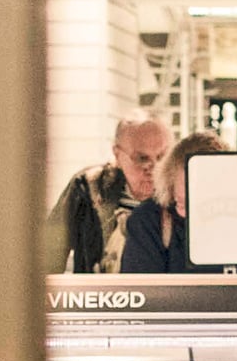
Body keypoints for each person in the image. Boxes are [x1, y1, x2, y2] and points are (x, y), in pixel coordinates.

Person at [118, 132, 237, 274]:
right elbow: (143, 296)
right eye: (183, 204)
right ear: (169, 184)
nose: (196, 214)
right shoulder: (150, 219)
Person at [51, 113, 174, 273]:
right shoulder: (88, 186)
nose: (153, 168)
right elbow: (48, 255)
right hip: (101, 294)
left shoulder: (180, 194)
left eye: (162, 157)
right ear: (117, 154)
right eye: (142, 158)